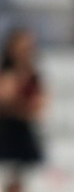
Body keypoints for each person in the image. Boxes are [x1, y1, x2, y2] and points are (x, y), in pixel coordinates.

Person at [0, 28, 45, 169]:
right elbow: (4, 100)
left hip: (24, 136)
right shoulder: (5, 73)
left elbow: (38, 107)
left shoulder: (34, 77)